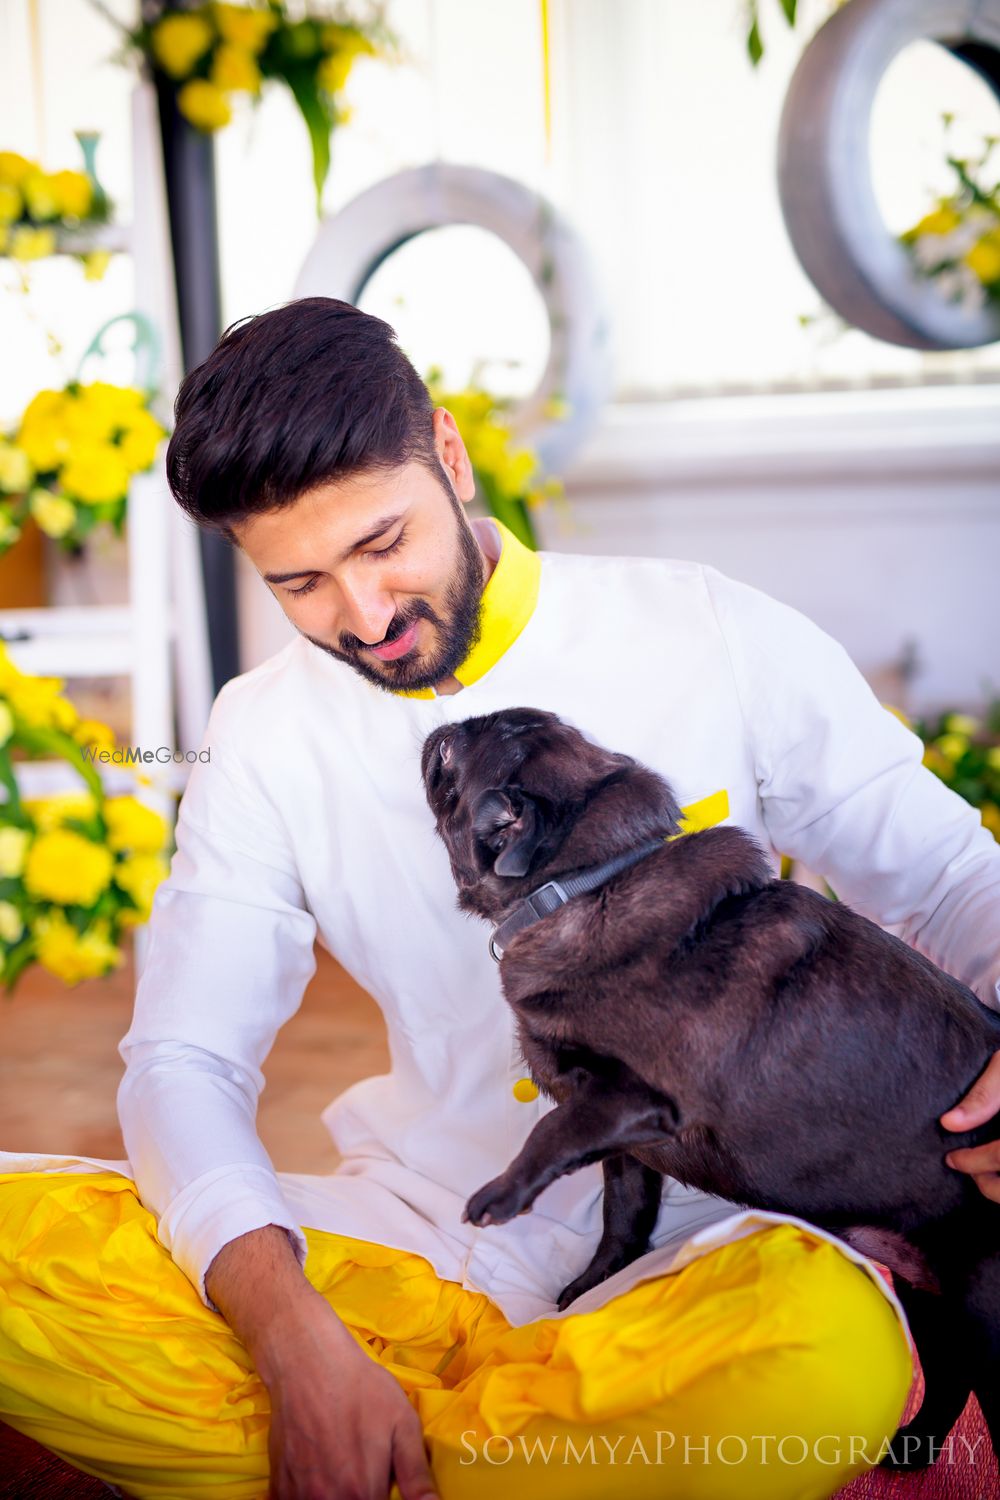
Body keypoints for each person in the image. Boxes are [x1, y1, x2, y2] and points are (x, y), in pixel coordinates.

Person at [2, 296, 999, 1500]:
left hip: (719, 1240)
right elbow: (184, 1058)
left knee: (818, 1365)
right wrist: (288, 1334)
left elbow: (946, 877)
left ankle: (404, 1457)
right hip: (421, 1227)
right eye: (303, 582)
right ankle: (477, 1448)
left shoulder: (705, 627)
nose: (363, 618)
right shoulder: (257, 733)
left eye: (384, 546)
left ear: (450, 456)